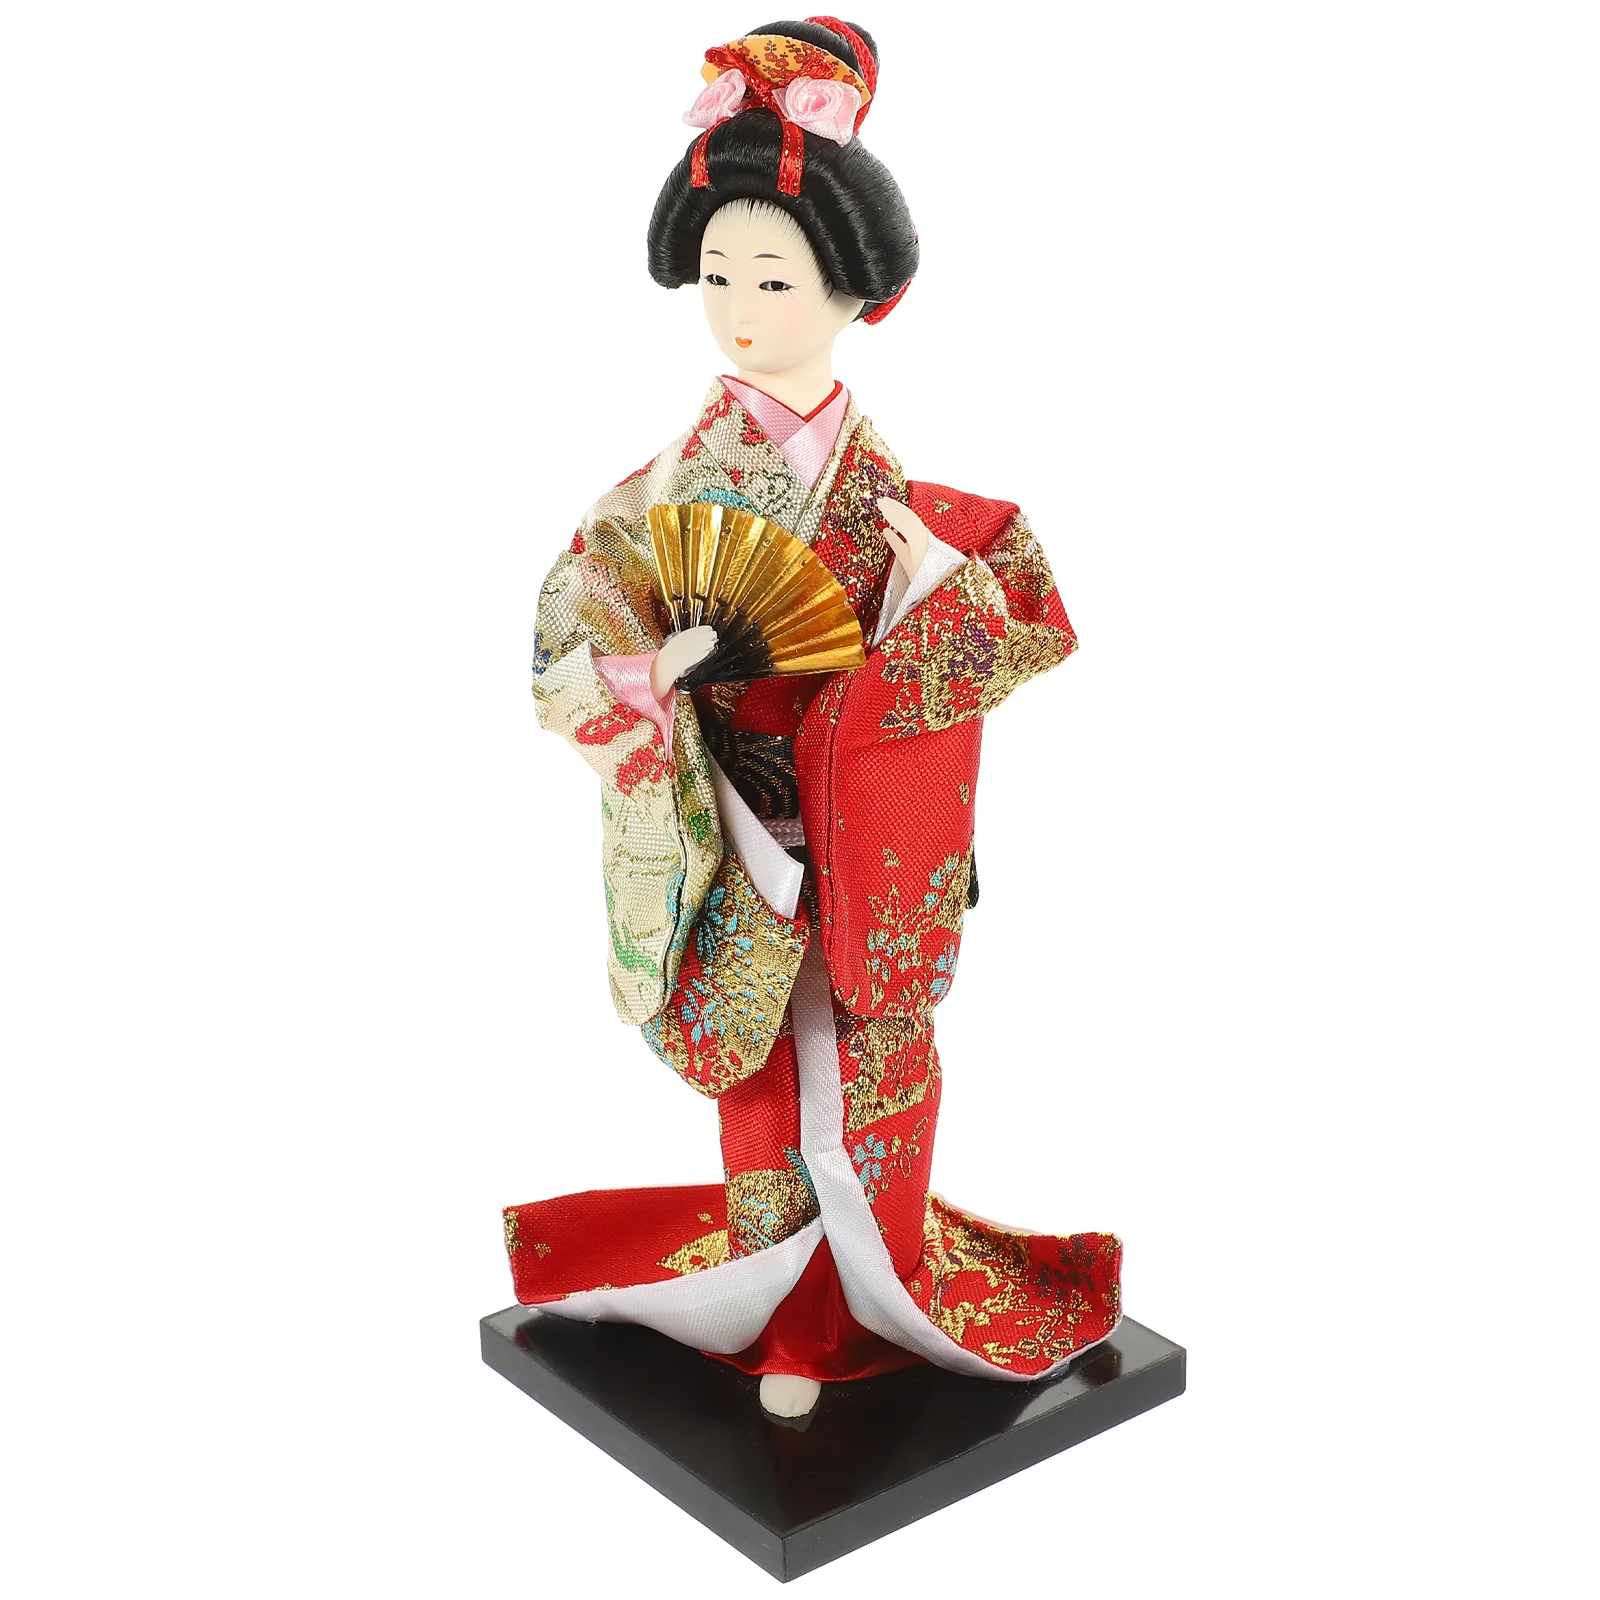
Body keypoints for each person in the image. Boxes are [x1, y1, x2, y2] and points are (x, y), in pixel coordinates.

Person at [505, 17, 1121, 1419]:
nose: (740, 308)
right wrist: (649, 683)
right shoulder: (658, 496)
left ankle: (882, 1294)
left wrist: (935, 605)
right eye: (719, 275)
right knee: (766, 1086)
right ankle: (791, 1328)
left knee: (886, 1065)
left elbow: (1003, 633)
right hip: (736, 837)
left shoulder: (896, 494)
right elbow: (571, 641)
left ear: (855, 292)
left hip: (873, 834)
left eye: (774, 278)